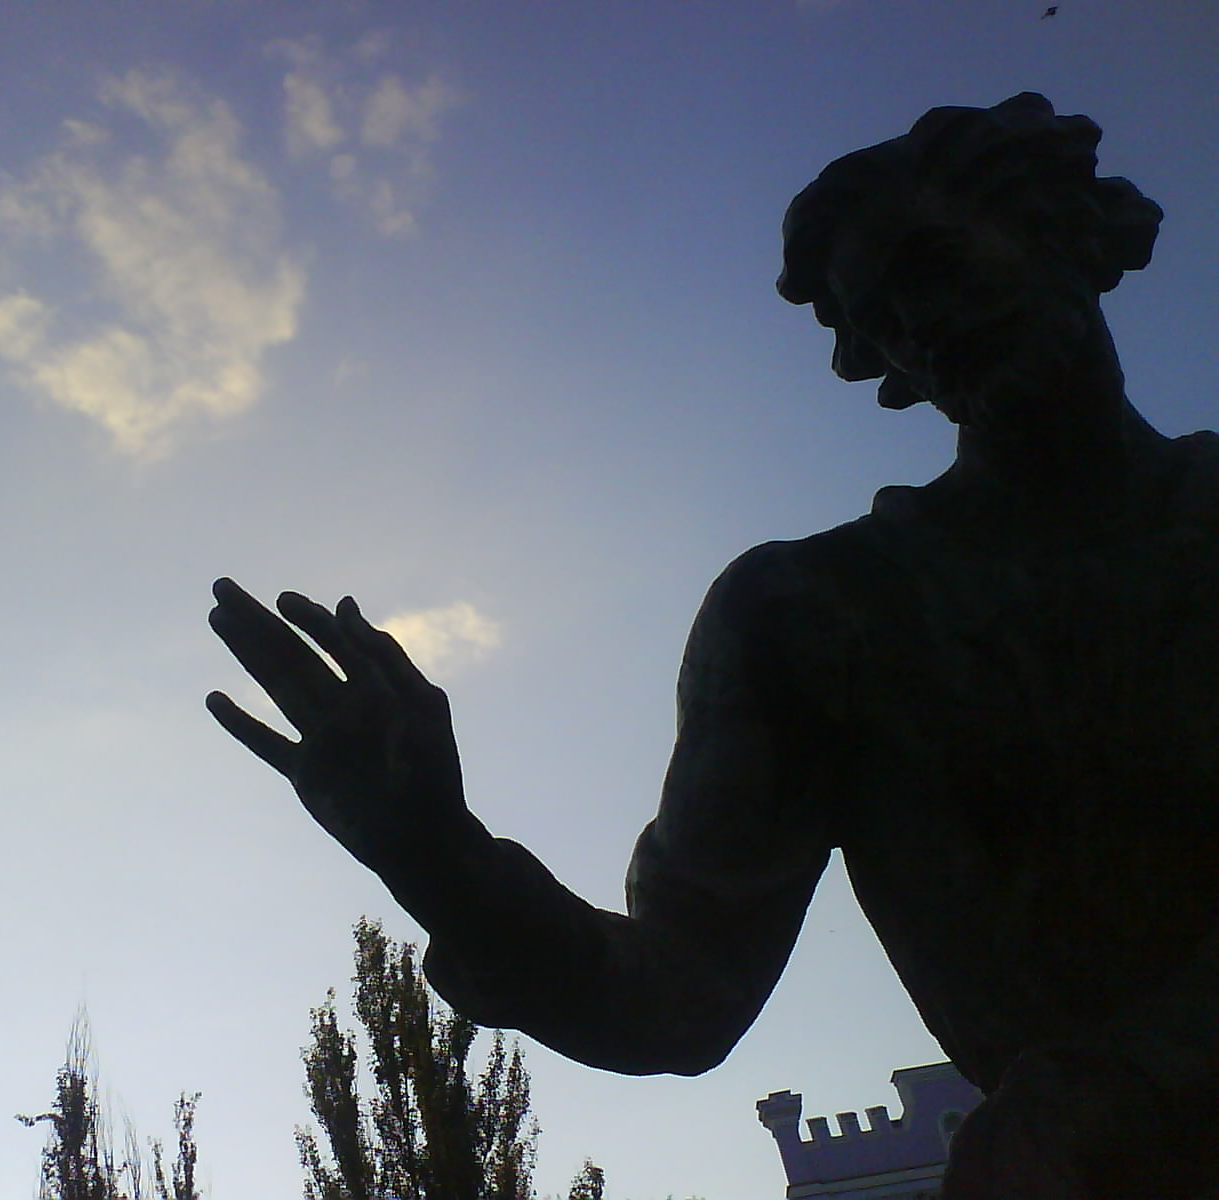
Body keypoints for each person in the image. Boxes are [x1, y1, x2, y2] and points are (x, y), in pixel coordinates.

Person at [206, 94, 1216, 1197]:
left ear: (1060, 229)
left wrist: (1136, 1078)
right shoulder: (818, 614)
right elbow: (675, 998)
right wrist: (433, 854)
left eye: (934, 265)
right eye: (881, 317)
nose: (922, 328)